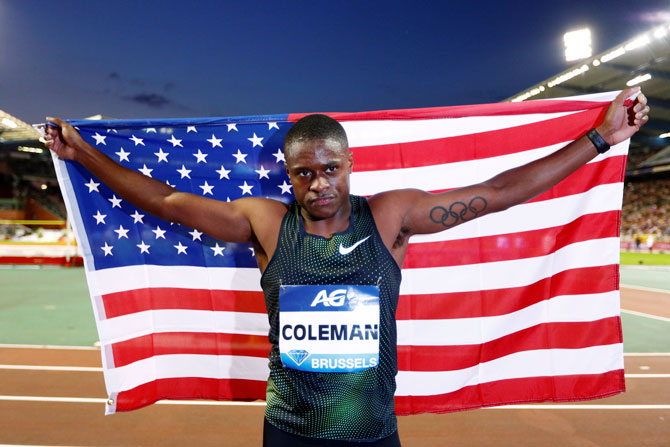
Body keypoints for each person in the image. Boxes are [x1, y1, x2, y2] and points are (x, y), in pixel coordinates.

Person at [45, 88, 649, 446]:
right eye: (303, 172)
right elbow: (170, 203)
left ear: (349, 163)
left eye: (329, 168)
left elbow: (498, 191)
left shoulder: (390, 218)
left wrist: (599, 139)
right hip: (288, 431)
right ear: (289, 175)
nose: (318, 183)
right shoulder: (267, 223)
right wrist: (84, 154)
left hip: (372, 435)